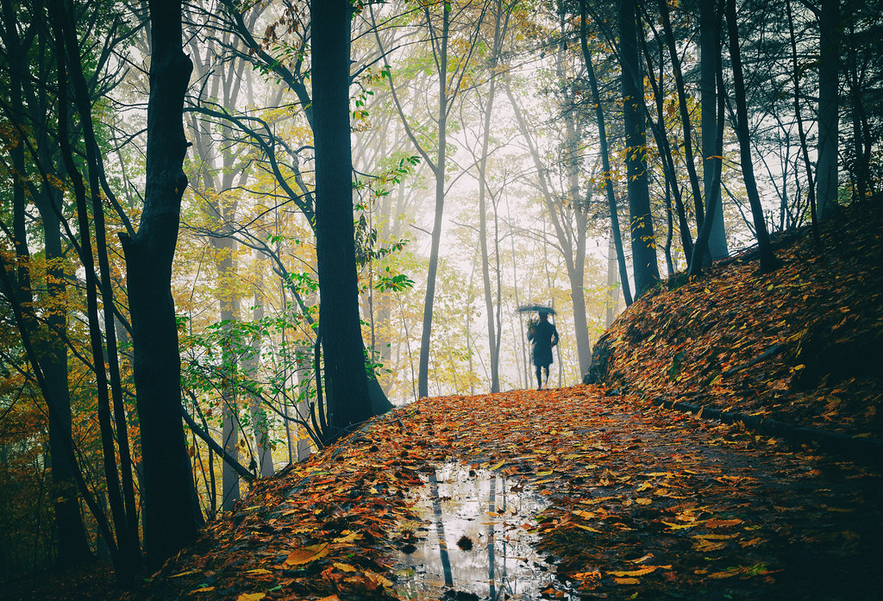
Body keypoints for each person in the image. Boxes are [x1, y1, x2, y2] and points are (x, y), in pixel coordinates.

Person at [527, 311, 558, 390]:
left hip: (546, 348)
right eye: (541, 316)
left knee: (546, 367)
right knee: (538, 367)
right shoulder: (535, 326)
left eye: (543, 316)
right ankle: (539, 385)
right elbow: (529, 338)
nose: (542, 318)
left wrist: (553, 343)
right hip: (537, 348)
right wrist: (531, 332)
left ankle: (545, 384)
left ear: (546, 317)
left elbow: (556, 337)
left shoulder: (551, 326)